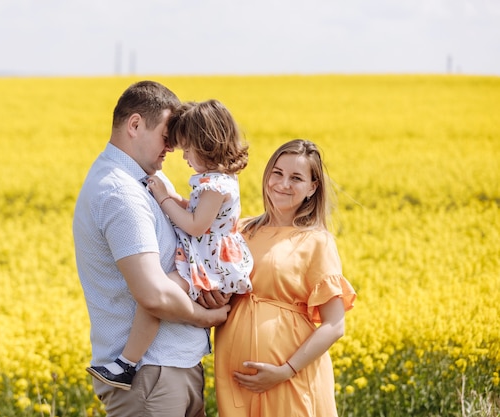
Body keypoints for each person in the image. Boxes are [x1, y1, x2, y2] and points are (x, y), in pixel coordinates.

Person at [73, 80, 230, 417]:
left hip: (171, 368)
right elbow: (154, 296)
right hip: (150, 376)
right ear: (135, 125)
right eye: (166, 135)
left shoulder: (148, 181)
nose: (172, 147)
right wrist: (207, 317)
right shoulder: (120, 193)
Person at [88, 99, 254, 390]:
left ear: (206, 144)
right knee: (157, 297)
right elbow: (195, 212)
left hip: (209, 264)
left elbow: (195, 225)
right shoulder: (217, 180)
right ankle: (126, 362)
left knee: (156, 298)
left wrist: (164, 199)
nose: (184, 156)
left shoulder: (215, 186)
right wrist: (174, 198)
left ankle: (126, 363)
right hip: (207, 260)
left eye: (188, 148)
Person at [213, 139, 357, 416]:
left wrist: (284, 371)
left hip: (290, 377)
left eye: (296, 178)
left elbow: (335, 325)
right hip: (236, 379)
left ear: (312, 188)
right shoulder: (241, 229)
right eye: (277, 173)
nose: (283, 184)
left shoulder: (316, 241)